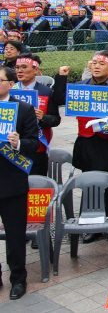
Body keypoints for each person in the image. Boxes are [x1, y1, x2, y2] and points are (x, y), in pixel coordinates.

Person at [54, 52, 108, 243]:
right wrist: (61, 77)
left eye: (101, 64)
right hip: (86, 141)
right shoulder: (80, 87)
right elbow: (59, 99)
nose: (96, 67)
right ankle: (89, 224)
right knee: (88, 183)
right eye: (94, 63)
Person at [0, 65, 40, 300]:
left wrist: (18, 143)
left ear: (11, 84)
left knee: (15, 235)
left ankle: (18, 279)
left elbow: (34, 143)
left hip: (12, 181)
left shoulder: (23, 110)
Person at [14, 54, 61, 178]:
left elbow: (56, 120)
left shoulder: (46, 92)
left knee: (36, 186)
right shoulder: (10, 90)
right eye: (17, 67)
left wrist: (43, 117)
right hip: (11, 147)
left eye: (24, 67)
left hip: (37, 148)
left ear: (35, 69)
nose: (19, 70)